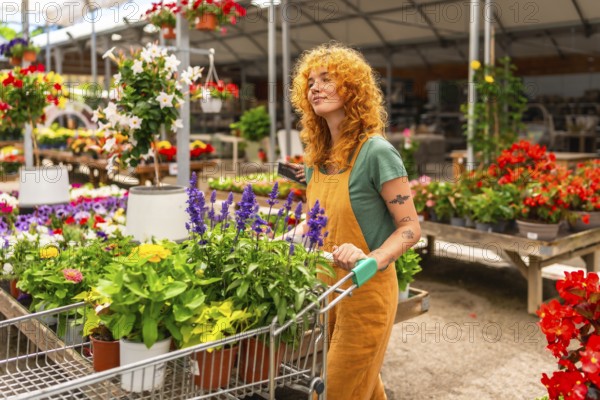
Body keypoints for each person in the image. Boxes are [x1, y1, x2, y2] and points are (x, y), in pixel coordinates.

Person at [288, 42, 421, 399]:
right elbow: (313, 220)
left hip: (367, 293)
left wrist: (371, 259)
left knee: (336, 390)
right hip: (328, 290)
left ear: (353, 88)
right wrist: (290, 238)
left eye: (327, 79)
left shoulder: (376, 153)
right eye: (311, 81)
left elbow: (410, 228)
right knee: (363, 386)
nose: (316, 87)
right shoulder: (317, 158)